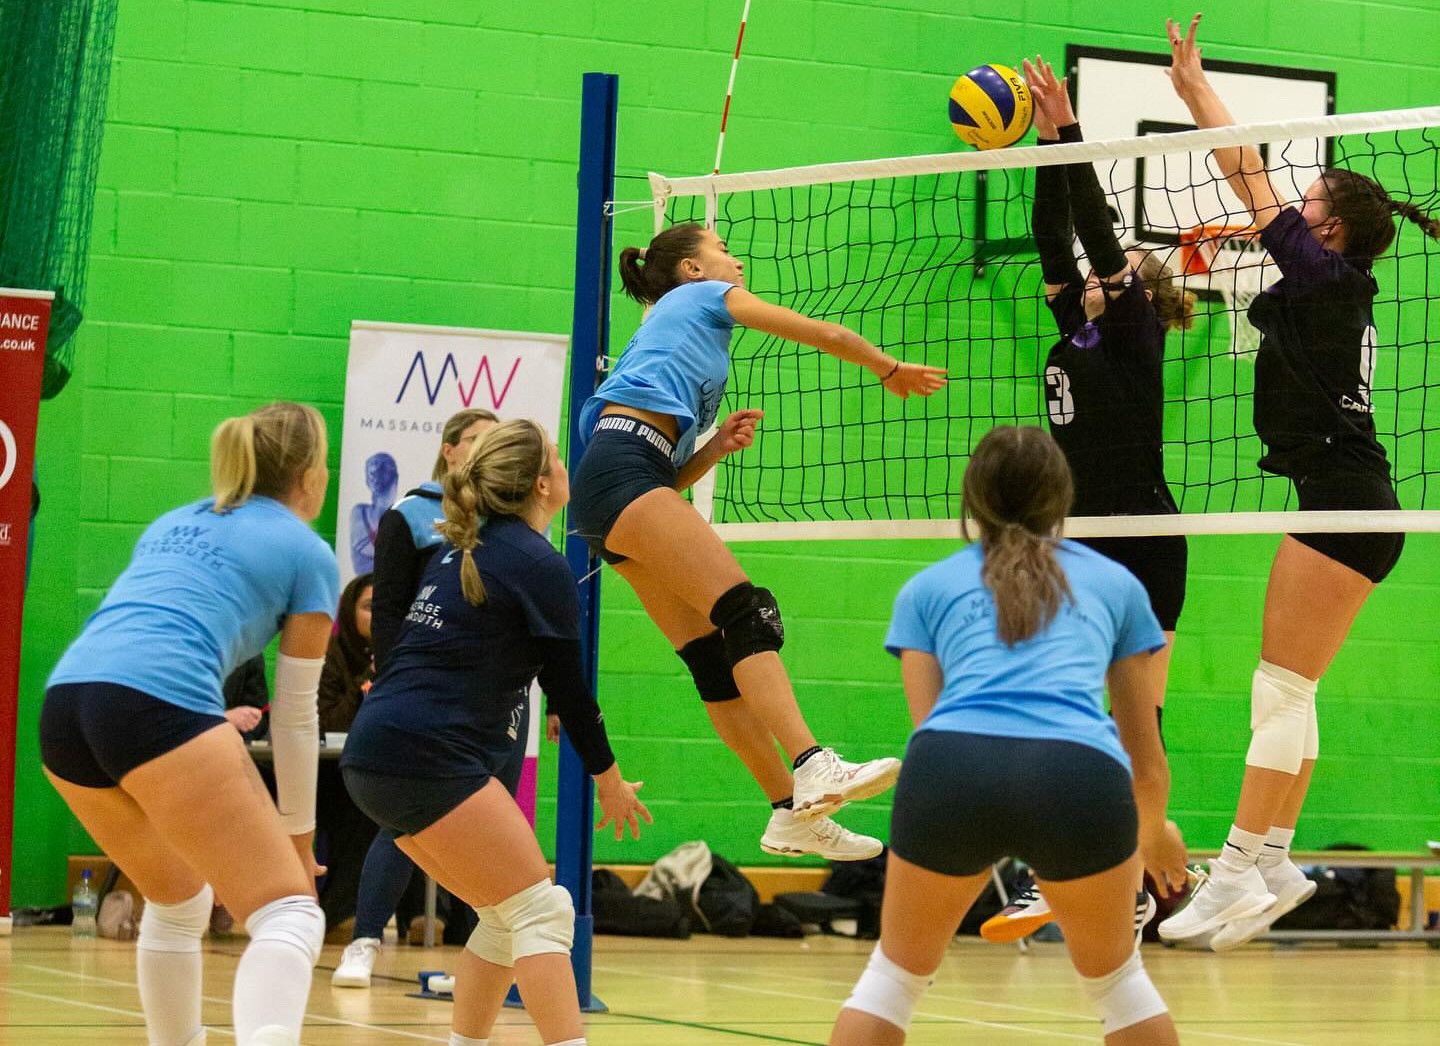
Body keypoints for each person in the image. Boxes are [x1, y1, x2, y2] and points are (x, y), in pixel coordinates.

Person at [1157, 14, 1440, 950]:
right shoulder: (1330, 286)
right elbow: (1255, 204)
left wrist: (1198, 92)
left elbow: (1248, 171)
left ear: (1330, 226)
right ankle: (1276, 862)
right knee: (1294, 691)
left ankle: (1236, 870)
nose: (1292, 201)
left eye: (1306, 198)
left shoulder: (1326, 280)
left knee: (1278, 691)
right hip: (1353, 502)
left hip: (1346, 503)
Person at [568, 223, 947, 861]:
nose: (736, 259)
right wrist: (888, 367)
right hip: (622, 474)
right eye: (721, 249)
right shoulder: (700, 298)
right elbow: (822, 333)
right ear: (692, 270)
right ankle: (813, 762)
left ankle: (788, 813)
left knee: (711, 659)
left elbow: (664, 479)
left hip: (616, 485)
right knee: (746, 610)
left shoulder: (668, 334)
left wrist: (713, 448)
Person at [828, 426, 1187, 1046]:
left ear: (973, 499)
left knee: (892, 981)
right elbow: (1142, 751)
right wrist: (1152, 832)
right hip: (1078, 776)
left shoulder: (926, 588)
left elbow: (929, 725)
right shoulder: (1118, 585)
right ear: (1064, 498)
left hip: (953, 767)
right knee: (1119, 985)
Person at [979, 56, 1198, 945]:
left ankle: (1112, 879)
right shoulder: (1078, 323)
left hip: (1144, 540)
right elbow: (1054, 233)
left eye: (1126, 266)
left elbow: (1098, 230)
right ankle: (1148, 875)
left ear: (1141, 287)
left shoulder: (1135, 328)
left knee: (1135, 725)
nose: (1109, 265)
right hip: (1081, 541)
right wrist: (1045, 145)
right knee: (1077, 712)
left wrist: (1071, 131)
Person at [342, 419, 649, 1046]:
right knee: (541, 908)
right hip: (428, 757)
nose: (565, 464)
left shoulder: (465, 549)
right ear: (542, 485)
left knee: (504, 915)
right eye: (557, 457)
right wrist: (610, 780)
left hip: (373, 753)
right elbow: (570, 694)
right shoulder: (537, 563)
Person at [40, 402, 339, 1046]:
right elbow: (294, 713)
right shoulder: (308, 552)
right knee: (289, 911)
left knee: (179, 901)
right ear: (311, 474)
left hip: (65, 706)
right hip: (154, 701)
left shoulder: (175, 521)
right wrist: (298, 840)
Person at [334, 408, 525, 988]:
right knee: (405, 823)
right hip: (429, 700)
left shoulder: (508, 523)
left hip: (499, 696)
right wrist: (399, 684)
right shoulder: (412, 515)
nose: (489, 449)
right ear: (449, 449)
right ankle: (365, 940)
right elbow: (389, 611)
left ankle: (483, 962)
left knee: (493, 832)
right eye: (479, 440)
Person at [314, 574, 379, 936]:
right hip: (330, 773)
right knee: (359, 809)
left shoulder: (404, 656)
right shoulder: (331, 656)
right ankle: (340, 911)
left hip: (384, 768)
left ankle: (424, 915)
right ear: (350, 611)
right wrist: (363, 684)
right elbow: (327, 721)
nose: (377, 615)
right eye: (369, 607)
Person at [349, 451, 398, 574]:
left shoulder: (402, 516)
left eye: (382, 469)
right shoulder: (359, 513)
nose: (376, 474)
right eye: (372, 473)